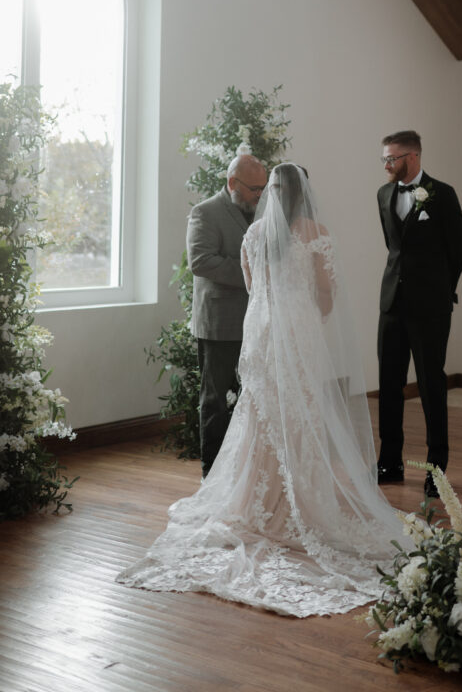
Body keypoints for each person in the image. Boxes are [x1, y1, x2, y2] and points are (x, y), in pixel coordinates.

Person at [118, 164, 406, 616]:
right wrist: (311, 318)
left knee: (259, 410)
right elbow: (327, 293)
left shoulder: (255, 234)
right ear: (304, 193)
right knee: (301, 410)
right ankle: (300, 502)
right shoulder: (315, 231)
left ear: (271, 192)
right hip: (300, 328)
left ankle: (255, 500)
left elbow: (253, 288)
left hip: (263, 329)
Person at [376, 130, 462, 497]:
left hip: (430, 307)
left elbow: (458, 251)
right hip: (391, 304)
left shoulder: (442, 194)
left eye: (392, 158)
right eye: (384, 158)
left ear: (412, 157)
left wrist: (440, 292)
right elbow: (393, 246)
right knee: (389, 385)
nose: (386, 164)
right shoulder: (383, 194)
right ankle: (390, 460)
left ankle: (436, 469)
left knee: (431, 385)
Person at [186, 153, 267, 476]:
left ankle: (241, 473)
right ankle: (212, 473)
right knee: (216, 402)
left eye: (263, 188)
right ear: (232, 182)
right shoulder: (205, 212)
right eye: (253, 188)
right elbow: (201, 262)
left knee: (250, 398)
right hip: (219, 324)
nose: (260, 195)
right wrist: (255, 273)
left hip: (255, 321)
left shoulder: (260, 210)